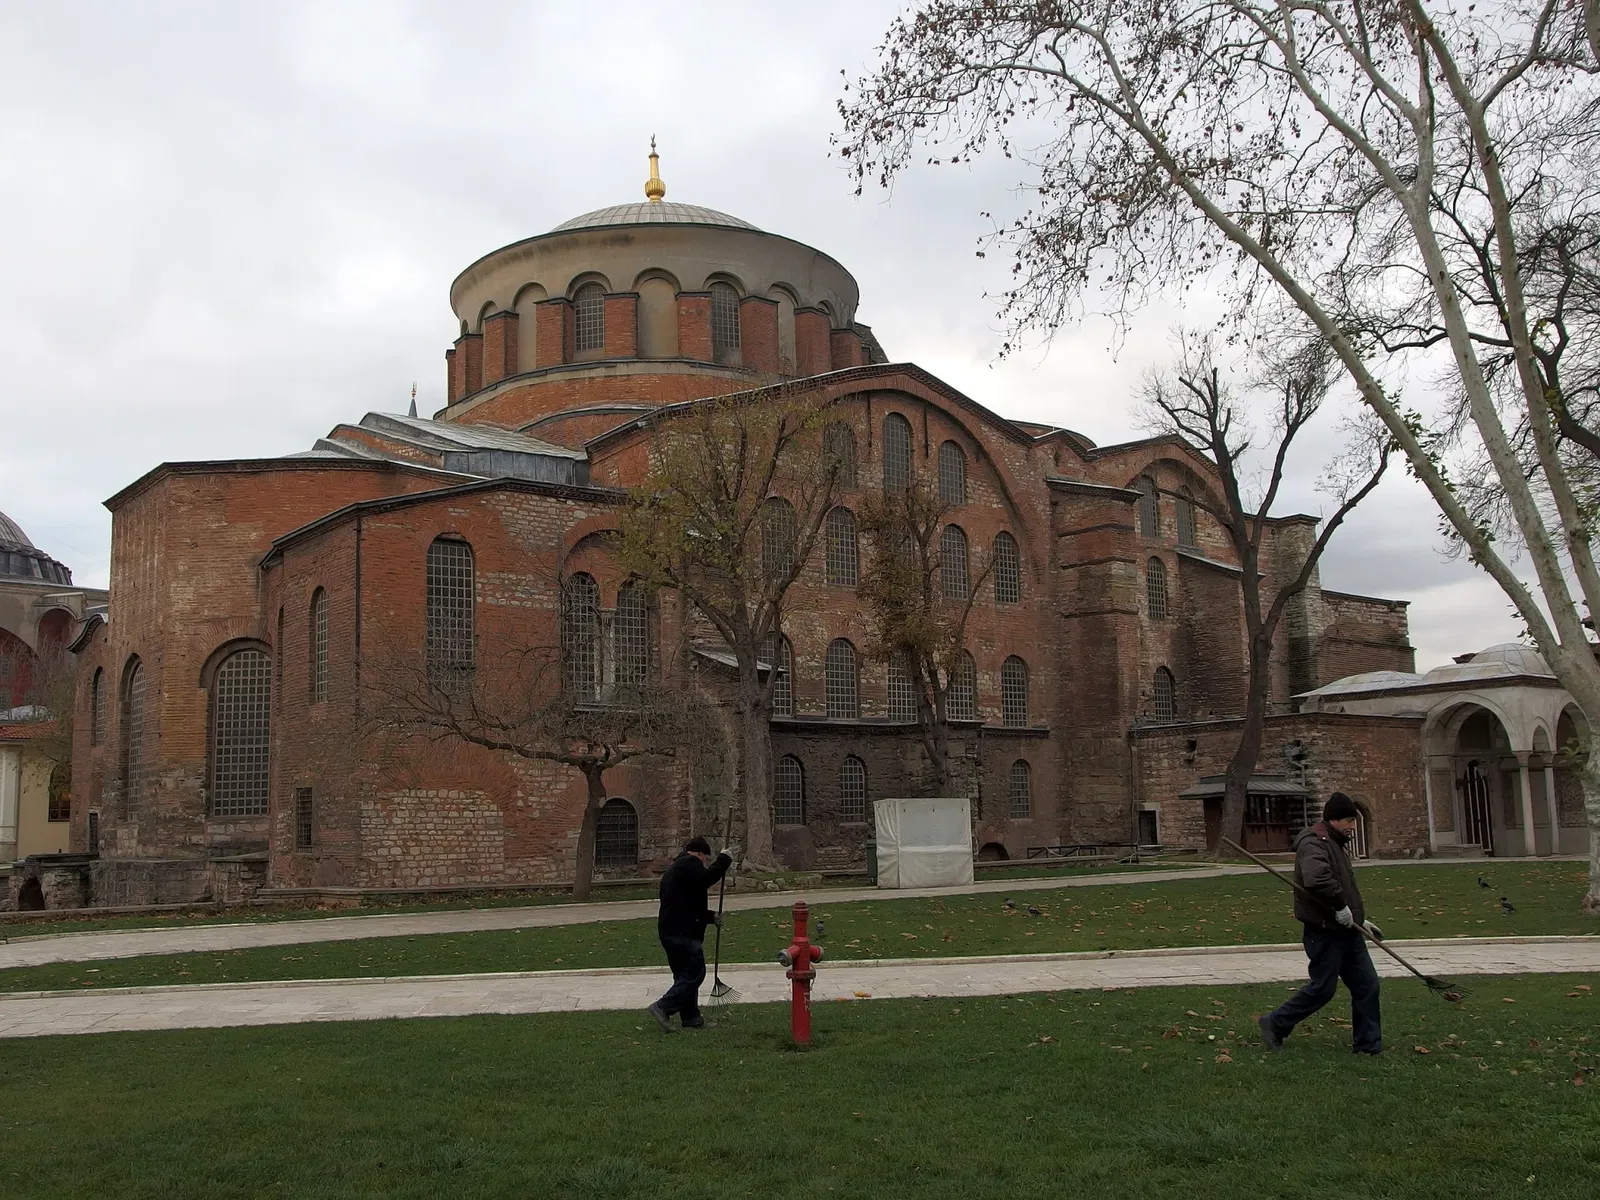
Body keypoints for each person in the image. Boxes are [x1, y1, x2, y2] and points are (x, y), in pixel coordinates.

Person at [1259, 793, 1385, 1055]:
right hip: (1324, 931)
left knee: (1367, 984)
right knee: (1322, 989)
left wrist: (1360, 919)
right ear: (1334, 819)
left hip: (1347, 930)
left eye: (1354, 820)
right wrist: (1340, 908)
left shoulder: (1336, 843)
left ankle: (1368, 1046)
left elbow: (1343, 887)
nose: (1353, 826)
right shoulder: (1314, 842)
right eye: (1349, 820)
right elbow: (1317, 879)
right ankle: (1275, 1022)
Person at [647, 835, 736, 1032]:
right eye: (705, 859)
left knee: (684, 975)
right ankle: (663, 1007)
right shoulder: (689, 863)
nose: (704, 863)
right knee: (695, 972)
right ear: (700, 854)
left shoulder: (678, 869)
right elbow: (706, 879)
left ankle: (691, 1019)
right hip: (681, 933)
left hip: (671, 930)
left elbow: (688, 904)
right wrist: (724, 859)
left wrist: (711, 917)